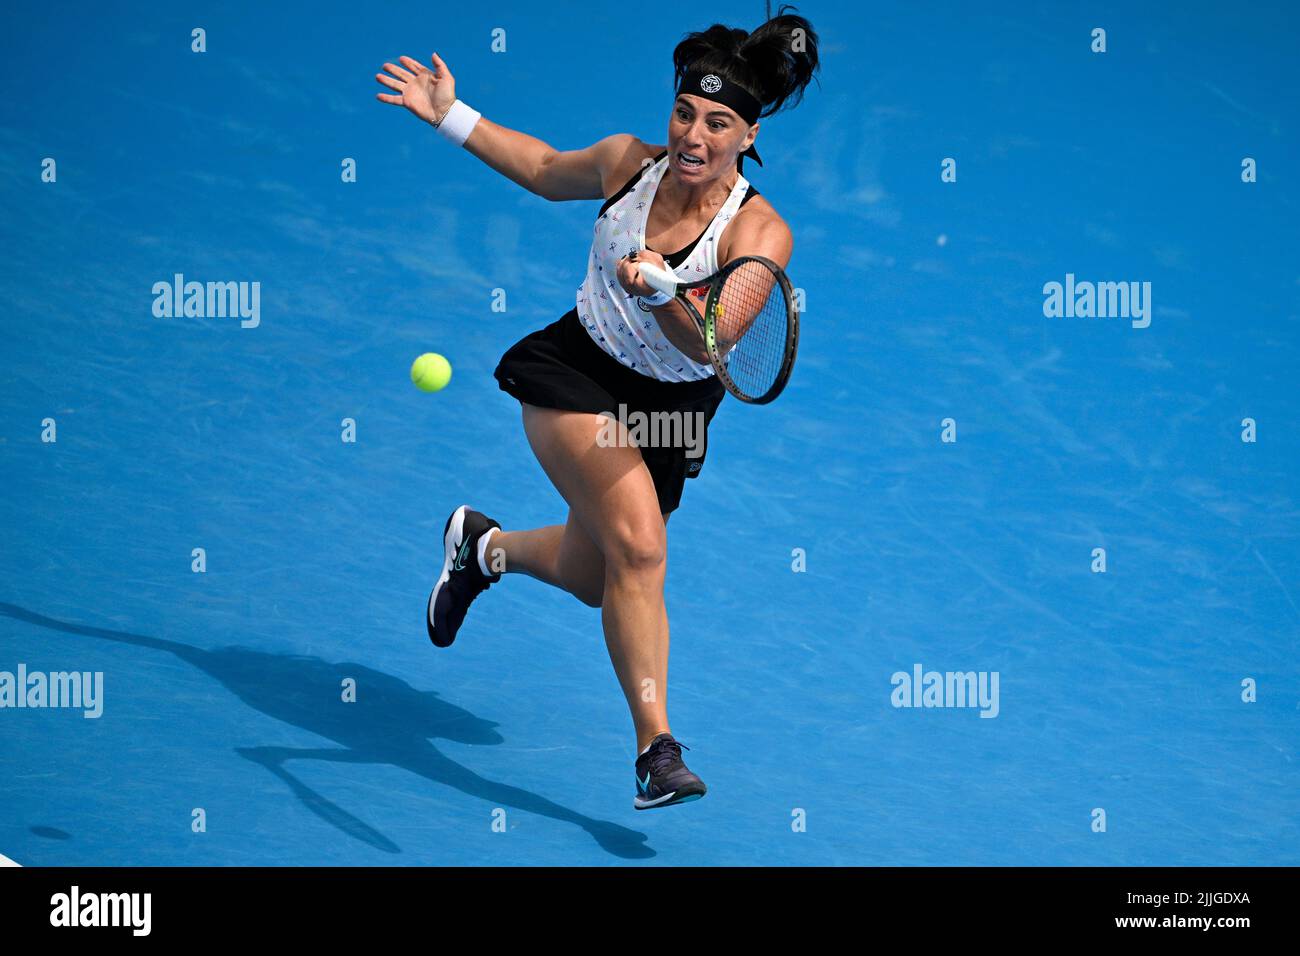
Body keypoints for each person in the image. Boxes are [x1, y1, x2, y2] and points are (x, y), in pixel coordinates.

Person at [376, 8, 818, 810]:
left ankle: (482, 551)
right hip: (575, 373)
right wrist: (451, 116)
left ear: (748, 136)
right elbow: (546, 168)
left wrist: (664, 293)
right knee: (642, 554)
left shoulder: (760, 233)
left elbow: (706, 348)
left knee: (595, 575)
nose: (693, 134)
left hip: (673, 410)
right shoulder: (626, 164)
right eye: (685, 111)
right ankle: (657, 750)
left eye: (718, 123)